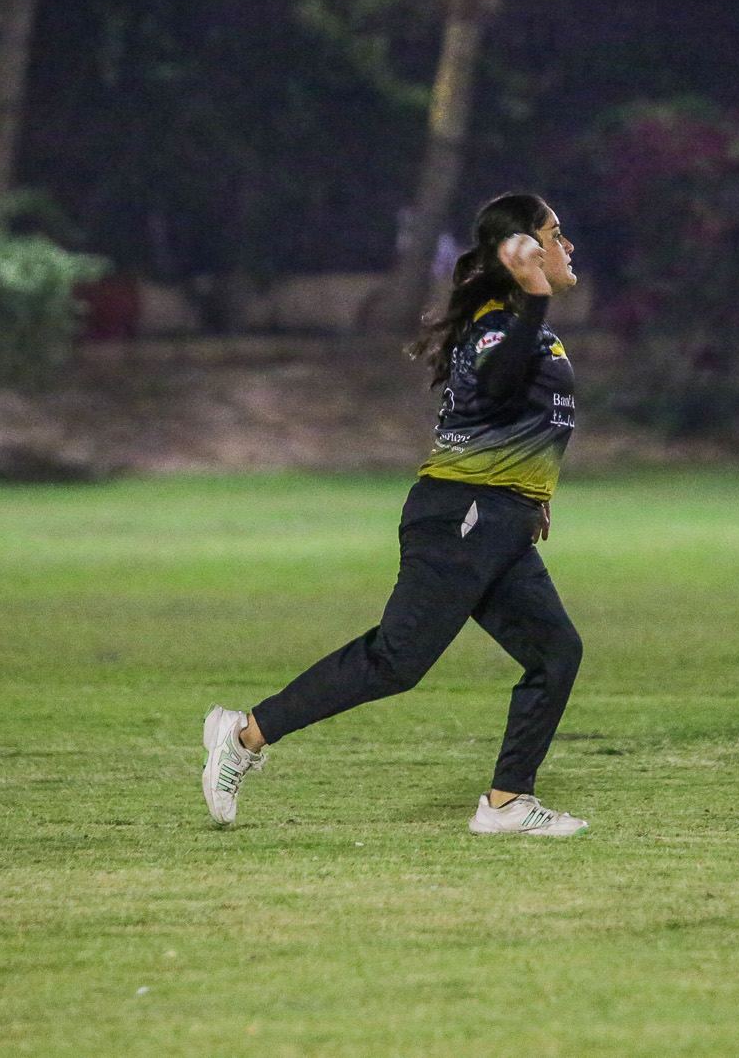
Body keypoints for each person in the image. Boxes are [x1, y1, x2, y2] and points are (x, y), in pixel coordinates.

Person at [202, 193, 587, 836]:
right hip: (463, 517)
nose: (567, 246)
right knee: (396, 660)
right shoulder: (500, 322)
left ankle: (506, 804)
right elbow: (498, 383)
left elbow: (508, 413)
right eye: (554, 234)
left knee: (555, 653)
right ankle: (243, 735)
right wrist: (534, 295)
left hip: (498, 518)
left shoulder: (526, 327)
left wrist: (532, 492)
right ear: (520, 251)